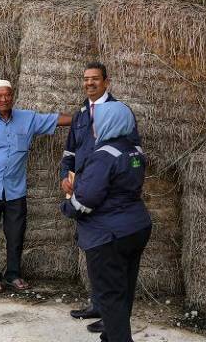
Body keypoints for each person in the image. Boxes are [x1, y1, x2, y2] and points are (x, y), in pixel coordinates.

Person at [0, 79, 72, 293]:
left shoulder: (28, 119)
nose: (4, 99)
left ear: (12, 96)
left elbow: (56, 120)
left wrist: (88, 115)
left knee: (16, 235)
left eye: (7, 95)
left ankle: (13, 274)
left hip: (16, 190)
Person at [60, 101, 152, 342]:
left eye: (96, 122)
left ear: (107, 123)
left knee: (110, 295)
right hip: (136, 227)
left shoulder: (103, 155)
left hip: (108, 235)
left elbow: (87, 200)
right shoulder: (134, 151)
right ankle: (110, 337)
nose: (93, 127)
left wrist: (68, 204)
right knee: (123, 291)